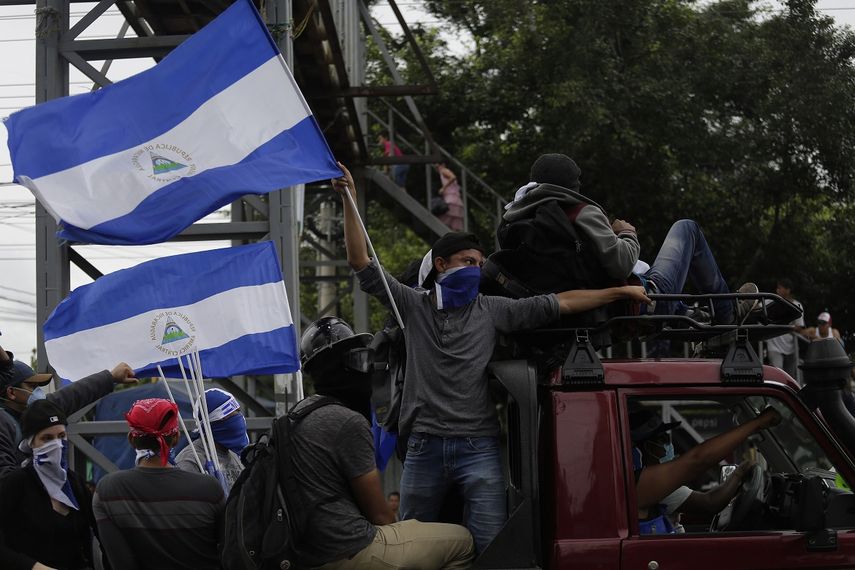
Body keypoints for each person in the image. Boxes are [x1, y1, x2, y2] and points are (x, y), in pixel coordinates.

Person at [333, 162, 650, 553]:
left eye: (480, 264)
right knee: (412, 549)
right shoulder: (411, 306)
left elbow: (561, 303)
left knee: (493, 548)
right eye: (467, 261)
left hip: (478, 447)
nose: (476, 269)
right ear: (441, 265)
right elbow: (360, 260)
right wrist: (347, 195)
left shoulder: (492, 309)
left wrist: (620, 294)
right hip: (424, 447)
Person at [296, 316, 475, 569]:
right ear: (340, 366)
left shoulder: (300, 413)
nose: (365, 369)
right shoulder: (346, 421)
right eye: (357, 360)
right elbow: (380, 515)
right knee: (463, 542)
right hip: (343, 550)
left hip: (305, 552)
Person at [500, 153, 757, 324]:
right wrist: (626, 233)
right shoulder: (579, 211)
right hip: (642, 302)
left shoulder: (517, 219)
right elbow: (621, 263)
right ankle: (728, 313)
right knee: (686, 228)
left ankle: (693, 313)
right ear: (571, 183)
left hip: (583, 309)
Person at [93, 398, 225, 569]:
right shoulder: (209, 488)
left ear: (131, 439)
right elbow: (227, 550)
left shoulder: (108, 491)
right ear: (176, 437)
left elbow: (119, 561)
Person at [632, 405, 781, 534]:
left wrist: (738, 474)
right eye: (663, 440)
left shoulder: (662, 490)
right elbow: (698, 460)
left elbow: (709, 502)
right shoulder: (636, 486)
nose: (670, 446)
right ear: (648, 447)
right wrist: (757, 423)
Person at [0, 345, 138, 478]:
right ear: (11, 392)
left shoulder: (40, 412)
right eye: (32, 386)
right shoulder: (4, 424)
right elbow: (5, 478)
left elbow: (74, 394)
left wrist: (111, 377)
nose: (38, 392)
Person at [0, 400, 102, 570]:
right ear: (31, 443)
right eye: (47, 438)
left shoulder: (75, 483)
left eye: (61, 436)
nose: (56, 444)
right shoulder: (15, 483)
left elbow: (100, 533)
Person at [175, 387, 247, 491]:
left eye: (238, 412)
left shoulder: (235, 455)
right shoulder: (190, 461)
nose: (239, 419)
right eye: (230, 416)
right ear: (212, 424)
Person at [764, 278, 805, 379]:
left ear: (788, 290)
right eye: (777, 288)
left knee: (790, 377)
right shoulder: (770, 302)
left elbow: (799, 327)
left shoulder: (797, 305)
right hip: (774, 346)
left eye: (780, 288)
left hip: (791, 347)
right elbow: (757, 307)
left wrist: (785, 327)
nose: (777, 290)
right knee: (778, 374)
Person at [436, 163, 465, 231]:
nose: (436, 168)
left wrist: (443, 188)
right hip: (454, 198)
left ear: (442, 165)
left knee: (445, 216)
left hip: (451, 197)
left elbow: (453, 177)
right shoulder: (444, 171)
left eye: (437, 166)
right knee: (453, 220)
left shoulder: (443, 170)